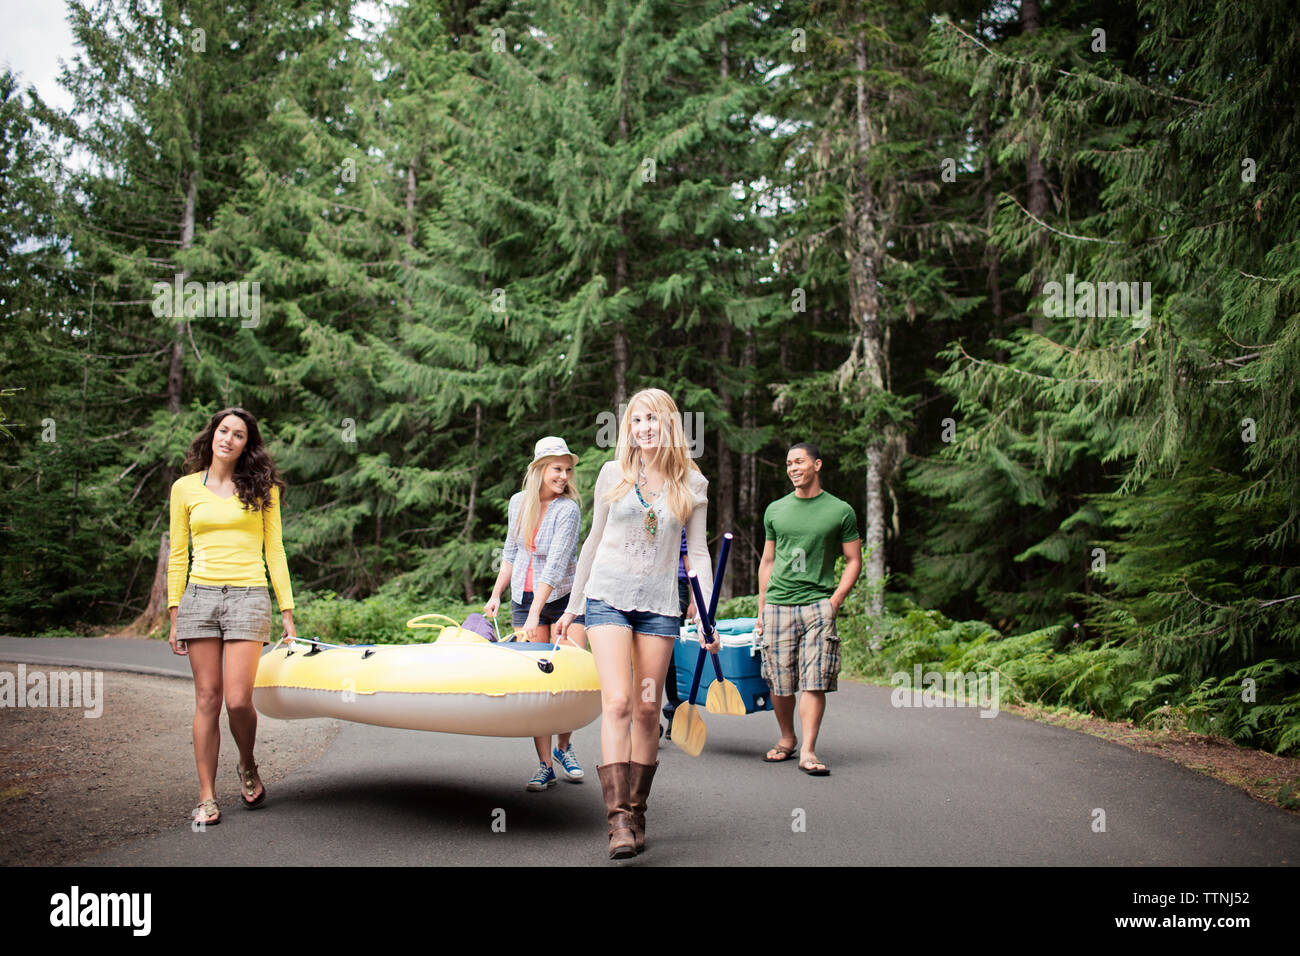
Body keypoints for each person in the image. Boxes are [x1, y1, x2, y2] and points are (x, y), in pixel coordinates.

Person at [558, 388, 715, 858]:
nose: (644, 428)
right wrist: (573, 605)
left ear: (669, 425)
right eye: (637, 420)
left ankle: (638, 809)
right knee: (620, 701)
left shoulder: (692, 482)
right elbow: (592, 542)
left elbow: (700, 553)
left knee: (648, 709)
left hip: (660, 603)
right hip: (607, 597)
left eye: (653, 420)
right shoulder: (614, 473)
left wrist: (707, 611)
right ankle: (618, 822)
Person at [167, 408, 297, 826]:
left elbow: (274, 551)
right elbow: (178, 555)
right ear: (213, 435)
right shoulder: (185, 488)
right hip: (199, 597)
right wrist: (174, 612)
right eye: (223, 430)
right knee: (207, 697)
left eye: (238, 434)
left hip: (249, 595)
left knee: (238, 700)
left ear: (247, 444)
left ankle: (246, 762)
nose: (228, 438)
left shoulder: (262, 489)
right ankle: (206, 796)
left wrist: (287, 610)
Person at [483, 437, 588, 790]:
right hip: (523, 598)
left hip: (563, 597)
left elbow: (557, 565)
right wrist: (497, 594)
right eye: (557, 469)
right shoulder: (518, 503)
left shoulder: (568, 509)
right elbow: (511, 552)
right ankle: (544, 764)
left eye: (567, 469)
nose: (563, 475)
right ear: (539, 469)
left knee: (568, 676)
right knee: (539, 683)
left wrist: (536, 615)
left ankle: (564, 747)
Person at [755, 442, 861, 776]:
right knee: (780, 680)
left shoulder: (840, 511)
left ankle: (809, 751)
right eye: (788, 463)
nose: (792, 468)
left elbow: (853, 560)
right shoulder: (775, 510)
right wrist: (762, 609)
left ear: (817, 464)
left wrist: (835, 600)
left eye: (799, 461)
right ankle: (787, 739)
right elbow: (767, 561)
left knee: (814, 680)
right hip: (778, 604)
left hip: (818, 605)